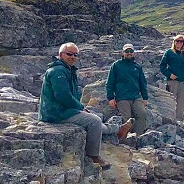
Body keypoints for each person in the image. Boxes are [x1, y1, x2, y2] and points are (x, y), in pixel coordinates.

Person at [39, 42, 133, 170]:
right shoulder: (57, 71)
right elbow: (62, 96)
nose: (73, 57)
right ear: (61, 55)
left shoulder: (66, 69)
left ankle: (117, 130)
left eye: (75, 55)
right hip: (56, 113)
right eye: (69, 54)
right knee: (94, 120)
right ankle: (93, 156)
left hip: (63, 110)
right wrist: (79, 107)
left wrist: (79, 107)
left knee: (92, 117)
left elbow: (69, 96)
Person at [106, 43, 149, 134]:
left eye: (131, 51)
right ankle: (125, 138)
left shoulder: (137, 67)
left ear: (134, 53)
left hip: (136, 97)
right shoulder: (116, 66)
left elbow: (142, 83)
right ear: (123, 53)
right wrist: (110, 98)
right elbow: (110, 83)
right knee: (126, 118)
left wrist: (145, 98)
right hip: (122, 97)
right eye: (127, 51)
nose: (129, 53)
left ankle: (137, 136)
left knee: (142, 114)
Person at [159, 35, 184, 120]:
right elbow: (162, 66)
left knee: (181, 102)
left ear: (183, 43)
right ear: (174, 42)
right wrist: (169, 74)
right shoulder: (169, 52)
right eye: (177, 41)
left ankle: (179, 120)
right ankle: (170, 120)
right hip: (172, 81)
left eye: (181, 41)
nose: (179, 43)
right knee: (171, 101)